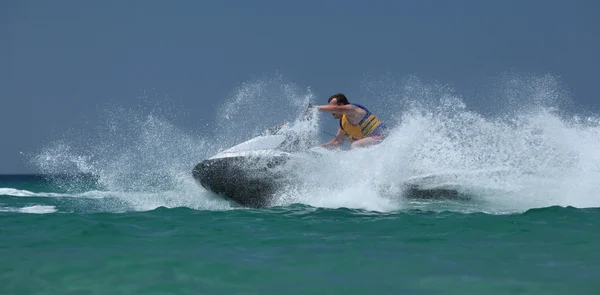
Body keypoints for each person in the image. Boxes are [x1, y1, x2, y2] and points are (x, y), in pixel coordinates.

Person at [309, 93, 387, 149]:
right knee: (354, 147)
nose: (332, 111)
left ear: (342, 105)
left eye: (332, 106)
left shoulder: (353, 109)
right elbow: (337, 142)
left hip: (382, 137)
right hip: (372, 143)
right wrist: (319, 147)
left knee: (355, 145)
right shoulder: (343, 123)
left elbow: (336, 109)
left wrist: (314, 108)